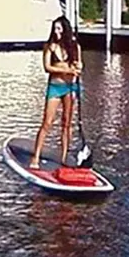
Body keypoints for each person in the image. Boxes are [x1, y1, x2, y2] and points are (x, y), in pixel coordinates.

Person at [29, 16, 82, 170]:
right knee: (47, 122)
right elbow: (47, 67)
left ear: (65, 30)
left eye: (59, 29)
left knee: (66, 123)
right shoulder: (50, 47)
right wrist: (65, 69)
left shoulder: (74, 47)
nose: (56, 32)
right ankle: (36, 156)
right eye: (55, 29)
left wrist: (78, 68)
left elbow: (79, 66)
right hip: (55, 86)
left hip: (70, 87)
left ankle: (64, 157)